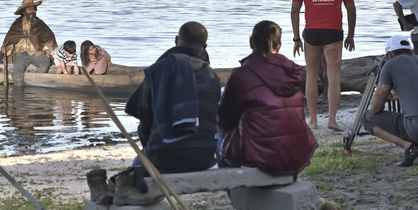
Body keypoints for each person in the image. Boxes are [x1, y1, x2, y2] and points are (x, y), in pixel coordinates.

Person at [217, 21, 318, 176]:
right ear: (280, 45)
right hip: (296, 154)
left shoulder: (241, 75)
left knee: (220, 139)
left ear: (251, 41)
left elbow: (225, 119)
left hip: (258, 157)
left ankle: (239, 193)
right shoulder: (292, 72)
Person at [125, 21, 221, 174]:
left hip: (161, 158)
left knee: (138, 163)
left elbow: (145, 119)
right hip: (204, 159)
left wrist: (149, 148)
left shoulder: (159, 71)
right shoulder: (212, 77)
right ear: (205, 46)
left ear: (176, 40)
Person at [291, 0, 356, 132]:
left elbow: (294, 10)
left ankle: (312, 120)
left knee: (311, 74)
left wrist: (296, 38)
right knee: (334, 76)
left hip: (311, 33)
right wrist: (351, 35)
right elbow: (351, 11)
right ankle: (332, 120)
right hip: (334, 32)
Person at [362, 35, 418, 167]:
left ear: (390, 54)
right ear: (410, 50)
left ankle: (408, 147)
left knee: (366, 118)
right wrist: (404, 94)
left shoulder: (390, 65)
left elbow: (376, 107)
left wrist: (386, 96)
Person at [0, 0, 57, 86]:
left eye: (33, 9)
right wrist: (6, 47)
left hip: (35, 53)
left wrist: (44, 51)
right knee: (17, 72)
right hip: (20, 54)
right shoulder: (17, 24)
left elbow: (49, 39)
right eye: (29, 9)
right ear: (24, 11)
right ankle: (19, 95)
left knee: (45, 61)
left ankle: (35, 84)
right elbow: (10, 39)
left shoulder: (40, 24)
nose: (32, 11)